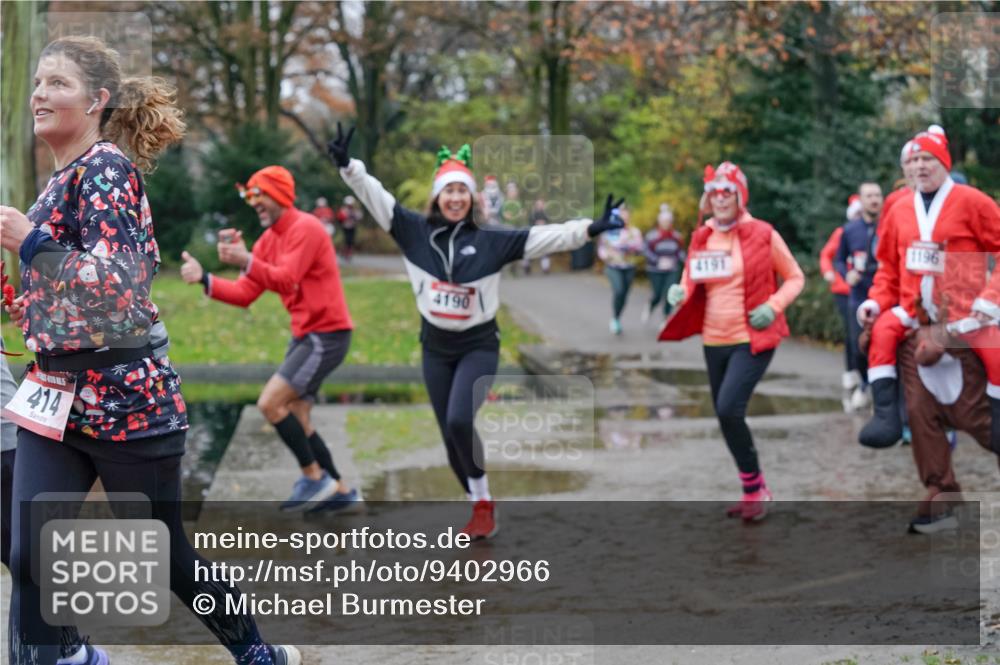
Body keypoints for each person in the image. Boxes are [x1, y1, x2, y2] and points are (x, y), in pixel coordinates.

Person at [0, 35, 299, 664]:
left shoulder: (106, 168)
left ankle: (256, 654)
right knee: (29, 548)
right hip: (56, 400)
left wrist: (30, 244)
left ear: (97, 101)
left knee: (164, 554)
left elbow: (120, 292)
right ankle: (74, 658)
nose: (39, 95)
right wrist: (20, 304)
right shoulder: (56, 184)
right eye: (38, 83)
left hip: (125, 401)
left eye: (58, 84)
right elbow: (68, 303)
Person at [328, 124, 625, 538]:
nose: (454, 198)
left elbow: (545, 237)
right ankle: (477, 503)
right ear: (437, 196)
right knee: (451, 438)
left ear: (471, 198)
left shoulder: (491, 241)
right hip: (435, 348)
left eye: (461, 191)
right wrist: (348, 165)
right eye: (448, 191)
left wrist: (589, 229)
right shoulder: (412, 231)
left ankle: (483, 501)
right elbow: (375, 196)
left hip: (478, 347)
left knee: (458, 420)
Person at [179, 166, 358, 513]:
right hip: (306, 335)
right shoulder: (267, 240)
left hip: (327, 334)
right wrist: (205, 279)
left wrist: (246, 259)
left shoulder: (305, 228)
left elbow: (287, 279)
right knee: (298, 416)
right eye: (251, 197)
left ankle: (313, 476)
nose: (255, 204)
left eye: (260, 196)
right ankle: (341, 491)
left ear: (278, 195)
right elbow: (246, 292)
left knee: (271, 403)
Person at [660, 162, 805, 522]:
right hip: (713, 339)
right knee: (726, 417)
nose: (721, 199)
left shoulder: (762, 233)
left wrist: (773, 306)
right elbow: (691, 280)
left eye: (728, 192)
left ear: (740, 195)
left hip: (751, 337)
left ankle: (758, 488)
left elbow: (795, 277)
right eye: (715, 193)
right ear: (707, 198)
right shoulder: (702, 236)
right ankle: (753, 489)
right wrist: (679, 292)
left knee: (728, 408)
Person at [857, 125, 1000, 461]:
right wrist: (875, 303)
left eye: (929, 159)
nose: (920, 165)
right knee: (881, 332)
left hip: (966, 314)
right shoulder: (898, 209)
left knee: (997, 355)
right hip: (912, 312)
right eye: (915, 159)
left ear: (944, 163)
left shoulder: (973, 201)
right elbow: (888, 269)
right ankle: (886, 415)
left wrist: (991, 298)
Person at [834, 182, 884, 408]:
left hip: (884, 294)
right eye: (869, 196)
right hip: (859, 294)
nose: (874, 199)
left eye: (877, 195)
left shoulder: (889, 225)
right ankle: (864, 383)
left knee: (884, 342)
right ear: (861, 201)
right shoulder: (850, 229)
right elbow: (838, 259)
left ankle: (883, 391)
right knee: (858, 346)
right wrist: (847, 274)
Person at [819, 224, 859, 402]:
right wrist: (829, 272)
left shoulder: (876, 230)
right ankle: (850, 371)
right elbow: (827, 255)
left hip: (865, 290)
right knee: (851, 332)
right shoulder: (843, 232)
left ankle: (866, 374)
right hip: (843, 290)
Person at [597, 203, 644, 335]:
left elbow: (640, 248)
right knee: (619, 290)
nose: (625, 218)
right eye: (622, 216)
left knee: (624, 294)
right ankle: (615, 319)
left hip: (629, 266)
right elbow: (602, 249)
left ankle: (617, 317)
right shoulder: (609, 232)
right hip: (613, 266)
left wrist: (631, 248)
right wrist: (607, 256)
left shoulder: (635, 232)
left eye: (627, 216)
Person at [642, 203, 686, 325]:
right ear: (660, 222)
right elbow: (645, 250)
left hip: (672, 269)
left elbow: (680, 252)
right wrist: (657, 260)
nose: (666, 223)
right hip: (655, 269)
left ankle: (666, 318)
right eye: (664, 221)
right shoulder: (652, 236)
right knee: (657, 294)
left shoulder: (677, 236)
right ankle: (651, 306)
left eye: (668, 221)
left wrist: (685, 260)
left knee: (669, 293)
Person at [520, 198, 552, 275]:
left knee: (545, 252)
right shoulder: (532, 215)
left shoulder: (546, 215)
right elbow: (529, 225)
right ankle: (526, 267)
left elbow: (549, 225)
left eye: (541, 204)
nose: (540, 206)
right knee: (529, 251)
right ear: (535, 205)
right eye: (538, 204)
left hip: (543, 235)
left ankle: (546, 268)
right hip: (534, 236)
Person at [335, 194, 362, 260]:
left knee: (351, 240)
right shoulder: (344, 210)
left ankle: (349, 252)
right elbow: (340, 218)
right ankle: (345, 252)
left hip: (352, 226)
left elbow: (359, 217)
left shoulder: (355, 210)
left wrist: (355, 217)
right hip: (346, 226)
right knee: (347, 240)